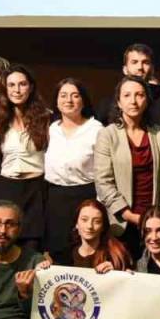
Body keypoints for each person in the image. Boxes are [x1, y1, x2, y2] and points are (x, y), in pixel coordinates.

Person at [94, 75, 160, 260]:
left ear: (147, 100)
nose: (133, 101)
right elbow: (103, 181)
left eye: (139, 95)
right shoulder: (107, 135)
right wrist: (130, 215)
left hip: (156, 224)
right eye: (127, 95)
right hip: (121, 222)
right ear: (119, 101)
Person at [0, 65, 52, 250]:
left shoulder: (47, 118)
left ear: (31, 87)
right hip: (6, 187)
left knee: (32, 249)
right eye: (12, 85)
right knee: (5, 247)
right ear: (5, 89)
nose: (17, 90)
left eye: (22, 84)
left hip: (36, 189)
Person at [45, 78, 104, 257]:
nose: (68, 100)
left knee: (84, 251)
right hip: (55, 198)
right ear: (56, 101)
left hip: (85, 196)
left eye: (75, 95)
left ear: (83, 100)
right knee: (58, 252)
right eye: (63, 95)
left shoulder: (96, 129)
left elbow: (103, 171)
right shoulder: (50, 129)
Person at [95, 43, 160, 128]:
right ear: (125, 69)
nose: (140, 67)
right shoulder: (106, 105)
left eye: (145, 62)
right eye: (134, 62)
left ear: (152, 70)